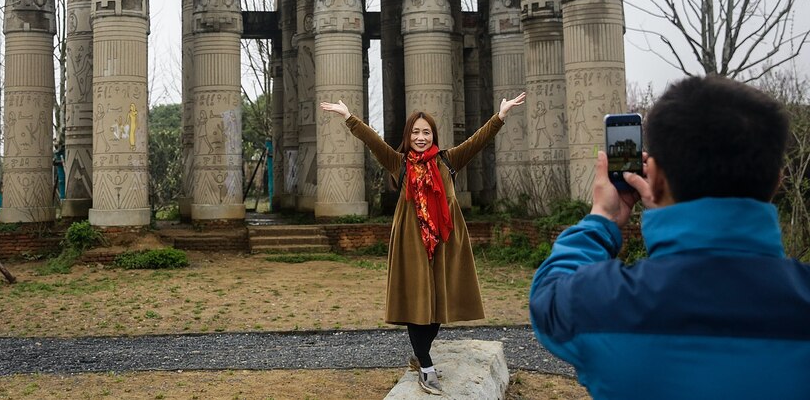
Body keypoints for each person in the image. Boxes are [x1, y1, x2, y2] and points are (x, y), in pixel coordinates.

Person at [529, 75, 810, 399]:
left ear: (655, 176)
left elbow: (547, 293)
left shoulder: (602, 303)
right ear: (777, 182)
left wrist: (601, 220)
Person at [321, 92, 526, 395]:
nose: (420, 136)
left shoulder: (448, 160)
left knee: (438, 306)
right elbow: (373, 142)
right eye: (415, 132)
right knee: (417, 304)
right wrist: (349, 117)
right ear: (408, 136)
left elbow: (478, 141)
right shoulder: (399, 162)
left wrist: (500, 117)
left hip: (444, 243)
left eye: (426, 132)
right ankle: (426, 366)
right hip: (411, 244)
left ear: (433, 135)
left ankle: (420, 356)